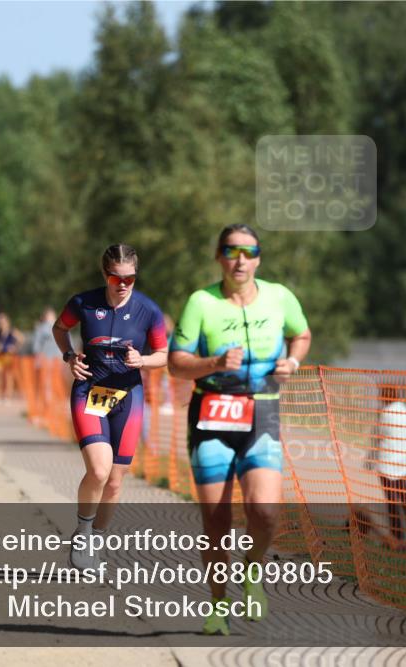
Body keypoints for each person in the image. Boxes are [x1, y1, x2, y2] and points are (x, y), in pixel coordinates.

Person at [168, 223, 311, 635]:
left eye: (249, 252)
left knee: (265, 512)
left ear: (259, 258)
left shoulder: (280, 297)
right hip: (210, 414)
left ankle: (252, 573)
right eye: (232, 251)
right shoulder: (202, 302)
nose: (240, 260)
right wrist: (212, 364)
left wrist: (293, 362)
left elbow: (301, 334)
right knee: (216, 519)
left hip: (262, 412)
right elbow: (176, 362)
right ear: (219, 257)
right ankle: (217, 604)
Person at [53, 244, 168, 572]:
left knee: (116, 481)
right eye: (116, 277)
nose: (123, 284)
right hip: (89, 391)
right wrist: (69, 357)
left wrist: (143, 360)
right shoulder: (83, 303)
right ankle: (83, 532)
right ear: (105, 274)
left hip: (127, 398)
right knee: (100, 470)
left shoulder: (149, 311)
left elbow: (163, 354)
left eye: (130, 278)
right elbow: (59, 329)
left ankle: (97, 542)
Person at [372, 384, 406, 548]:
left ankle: (397, 536)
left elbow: (378, 434)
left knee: (392, 501)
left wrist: (378, 415)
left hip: (386, 462)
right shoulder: (405, 410)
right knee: (405, 497)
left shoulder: (386, 413)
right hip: (402, 461)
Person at [0, 314, 24, 404]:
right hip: (0, 356)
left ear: (7, 322)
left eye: (3, 322)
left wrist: (15, 347)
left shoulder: (12, 331)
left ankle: (7, 396)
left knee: (8, 376)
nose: (1, 324)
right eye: (0, 323)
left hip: (9, 356)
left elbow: (21, 339)